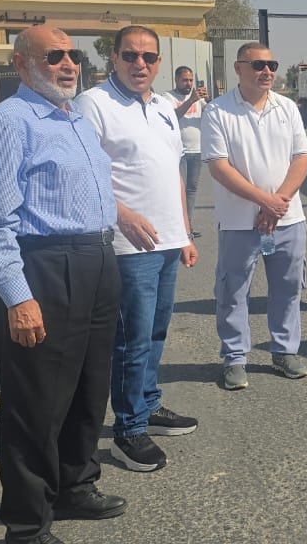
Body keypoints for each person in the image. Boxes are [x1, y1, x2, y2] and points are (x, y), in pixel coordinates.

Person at [0, 24, 127, 544]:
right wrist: (18, 297)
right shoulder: (10, 122)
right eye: (53, 55)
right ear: (21, 64)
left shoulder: (74, 117)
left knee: (88, 385)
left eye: (72, 55)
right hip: (45, 265)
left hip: (96, 260)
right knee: (36, 399)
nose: (68, 64)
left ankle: (76, 485)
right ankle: (27, 522)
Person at [75, 25, 200, 474]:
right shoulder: (94, 104)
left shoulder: (165, 106)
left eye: (148, 57)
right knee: (131, 340)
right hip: (129, 246)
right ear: (114, 57)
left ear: (159, 62)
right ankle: (128, 431)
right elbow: (82, 174)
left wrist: (184, 233)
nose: (139, 64)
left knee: (155, 333)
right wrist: (121, 214)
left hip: (167, 241)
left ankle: (147, 405)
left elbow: (176, 172)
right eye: (130, 56)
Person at [202, 42, 307, 390]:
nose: (267, 71)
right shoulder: (218, 112)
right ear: (239, 68)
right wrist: (264, 201)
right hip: (239, 221)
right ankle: (235, 357)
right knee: (233, 290)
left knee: (288, 287)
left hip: (287, 218)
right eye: (258, 65)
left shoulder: (287, 108)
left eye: (271, 64)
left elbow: (301, 158)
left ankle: (284, 350)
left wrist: (278, 202)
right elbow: (219, 166)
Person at [161, 65, 209, 239]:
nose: (188, 84)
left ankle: (188, 227)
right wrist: (191, 101)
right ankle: (176, 227)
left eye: (190, 80)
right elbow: (172, 116)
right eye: (185, 80)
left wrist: (208, 103)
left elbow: (210, 115)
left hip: (196, 150)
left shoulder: (197, 98)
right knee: (176, 191)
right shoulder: (167, 98)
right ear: (176, 80)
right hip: (178, 152)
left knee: (191, 190)